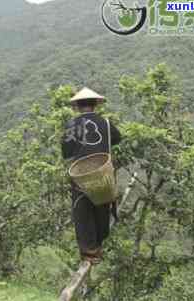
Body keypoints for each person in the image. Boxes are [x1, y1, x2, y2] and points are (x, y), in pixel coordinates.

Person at [61, 87, 122, 264]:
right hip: (102, 172)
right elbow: (117, 139)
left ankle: (89, 251)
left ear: (77, 106)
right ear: (95, 105)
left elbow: (66, 153)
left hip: (80, 175)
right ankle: (99, 243)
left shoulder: (71, 125)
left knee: (82, 210)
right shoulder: (107, 123)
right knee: (102, 206)